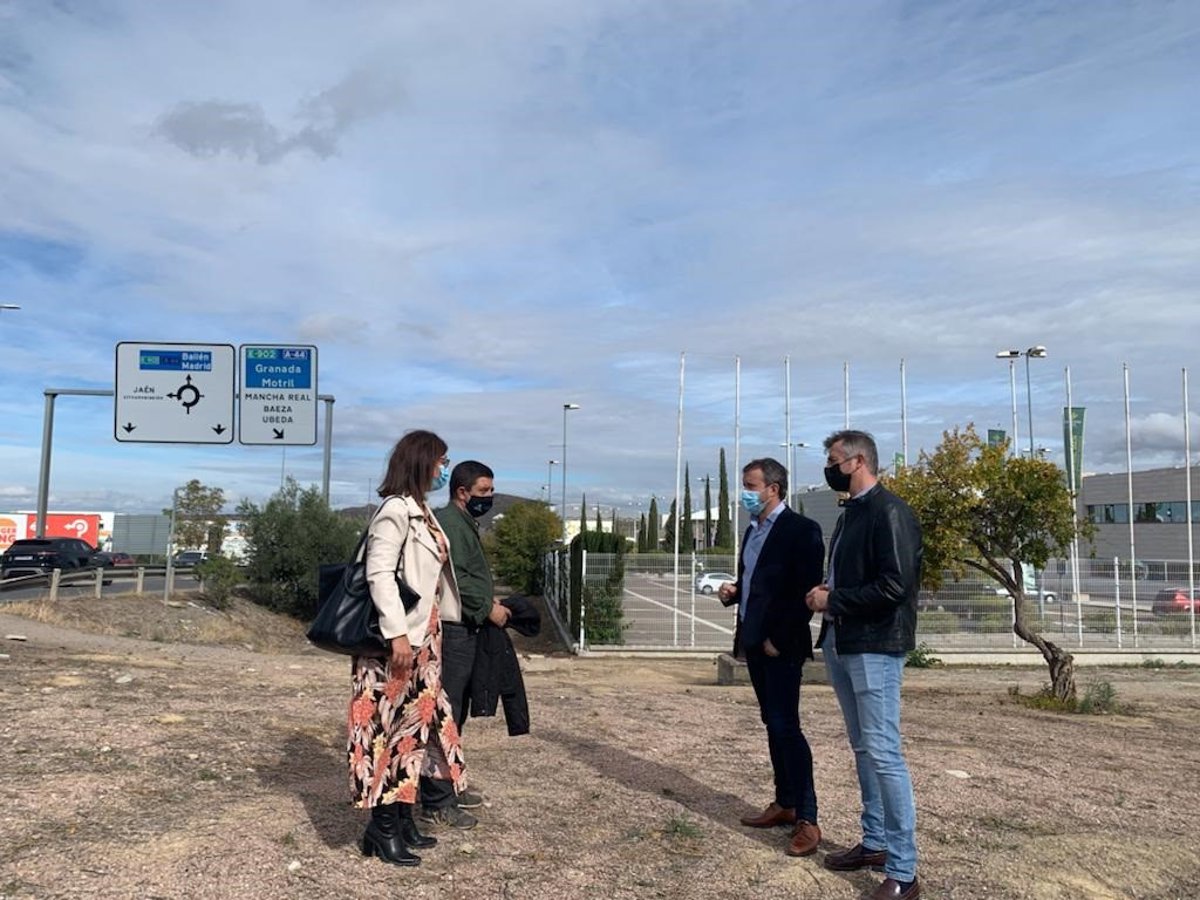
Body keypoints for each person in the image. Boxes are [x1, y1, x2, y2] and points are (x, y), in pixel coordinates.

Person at [805, 430, 923, 900]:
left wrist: (834, 599)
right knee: (864, 748)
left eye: (834, 460)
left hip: (875, 646)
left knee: (884, 752)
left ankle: (904, 870)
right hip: (844, 640)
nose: (829, 468)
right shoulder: (851, 513)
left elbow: (895, 586)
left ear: (857, 462)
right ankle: (874, 842)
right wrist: (828, 594)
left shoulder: (889, 512)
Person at [347, 429, 467, 867]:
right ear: (421, 461)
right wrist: (397, 632)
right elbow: (378, 573)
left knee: (413, 733)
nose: (444, 468)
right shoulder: (395, 510)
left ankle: (400, 819)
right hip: (396, 643)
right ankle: (381, 829)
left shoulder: (422, 511)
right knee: (385, 731)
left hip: (425, 639)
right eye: (441, 461)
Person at [717, 457, 825, 858]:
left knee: (787, 727)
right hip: (753, 641)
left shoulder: (802, 530)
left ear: (773, 489)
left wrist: (778, 639)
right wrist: (734, 593)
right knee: (772, 723)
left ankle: (808, 818)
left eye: (750, 485)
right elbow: (759, 584)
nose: (744, 492)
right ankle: (785, 802)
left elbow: (805, 592)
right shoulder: (753, 530)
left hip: (780, 646)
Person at [420, 460, 510, 829]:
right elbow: (460, 577)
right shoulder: (452, 524)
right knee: (447, 714)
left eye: (491, 490)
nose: (490, 497)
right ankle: (437, 801)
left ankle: (448, 786)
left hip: (465, 628)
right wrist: (488, 608)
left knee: (456, 714)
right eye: (484, 491)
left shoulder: (462, 522)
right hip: (454, 630)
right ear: (462, 492)